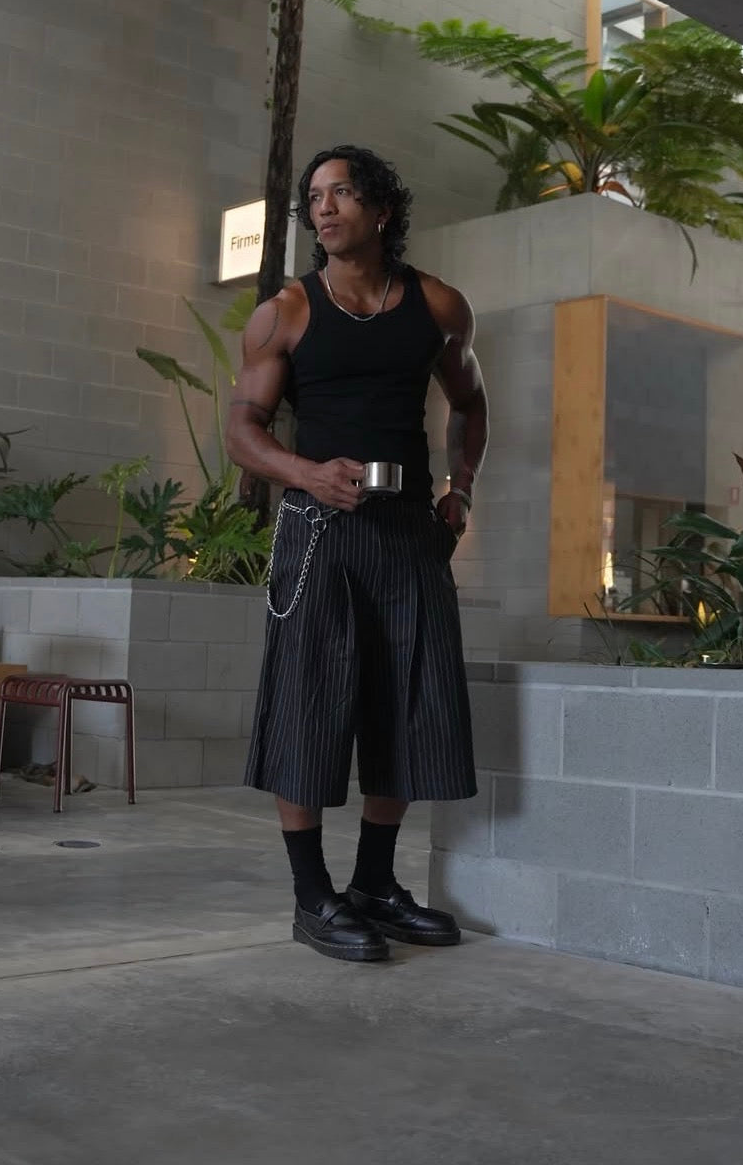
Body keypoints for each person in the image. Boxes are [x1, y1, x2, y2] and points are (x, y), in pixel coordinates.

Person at [225, 145, 488, 963]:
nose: (325, 208)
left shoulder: (439, 305)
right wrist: (306, 473)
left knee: (408, 707)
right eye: (314, 198)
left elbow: (471, 402)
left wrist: (460, 488)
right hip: (318, 532)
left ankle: (374, 883)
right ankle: (313, 898)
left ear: (381, 208)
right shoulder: (286, 312)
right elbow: (241, 431)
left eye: (341, 193)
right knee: (308, 707)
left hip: (410, 533)